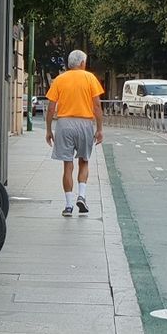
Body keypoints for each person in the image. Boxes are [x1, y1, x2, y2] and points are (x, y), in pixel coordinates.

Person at [44, 49, 105, 216]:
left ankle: (69, 206)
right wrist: (99, 129)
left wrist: (49, 130)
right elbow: (97, 106)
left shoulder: (59, 80)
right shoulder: (90, 78)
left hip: (64, 124)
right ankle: (82, 196)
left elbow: (51, 108)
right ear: (82, 63)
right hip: (85, 123)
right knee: (84, 161)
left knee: (67, 165)